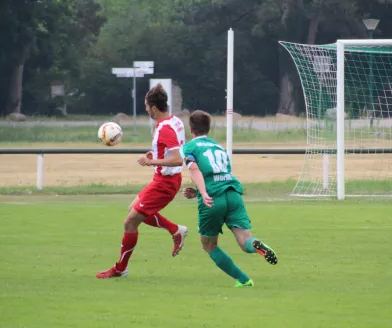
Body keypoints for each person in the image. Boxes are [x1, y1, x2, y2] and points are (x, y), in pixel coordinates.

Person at [96, 84, 188, 279]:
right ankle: (175, 230)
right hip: (163, 178)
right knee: (134, 210)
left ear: (154, 107)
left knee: (130, 222)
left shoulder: (165, 129)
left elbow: (178, 158)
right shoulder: (175, 121)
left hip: (165, 183)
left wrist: (152, 160)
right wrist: (155, 154)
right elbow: (173, 150)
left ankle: (120, 269)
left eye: (147, 106)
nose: (146, 110)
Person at [181, 110, 277, 287]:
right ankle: (254, 244)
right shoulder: (219, 147)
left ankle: (244, 280)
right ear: (208, 128)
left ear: (190, 129)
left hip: (213, 199)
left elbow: (194, 169)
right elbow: (220, 174)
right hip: (233, 194)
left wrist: (202, 193)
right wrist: (198, 191)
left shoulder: (189, 147)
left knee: (209, 245)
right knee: (244, 240)